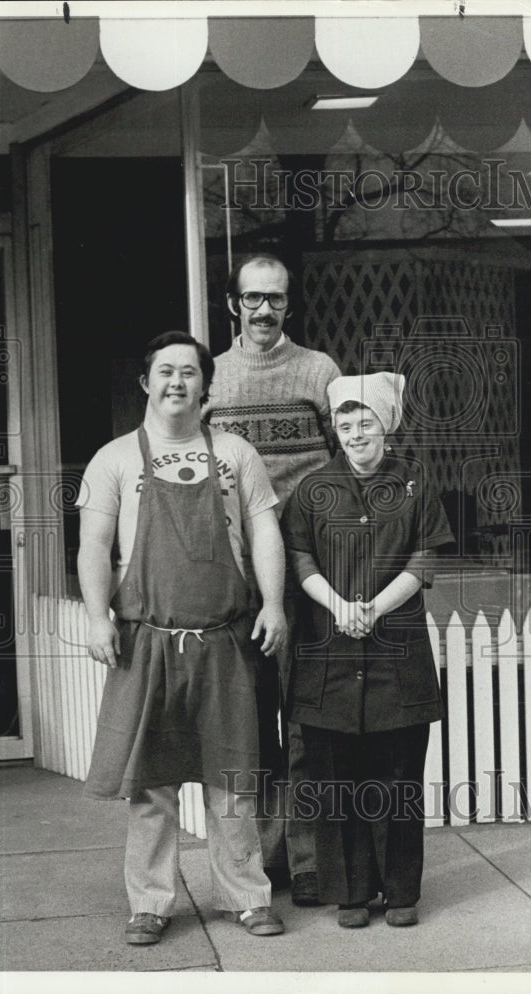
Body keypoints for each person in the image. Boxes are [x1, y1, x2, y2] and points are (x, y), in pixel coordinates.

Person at [77, 331, 288, 944]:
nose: (177, 382)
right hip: (147, 641)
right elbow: (93, 544)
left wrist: (273, 604)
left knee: (234, 779)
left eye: (189, 372)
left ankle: (247, 897)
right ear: (146, 383)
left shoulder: (236, 455)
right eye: (165, 372)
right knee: (150, 784)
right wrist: (97, 616)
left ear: (205, 385)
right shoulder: (113, 458)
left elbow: (265, 533)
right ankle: (150, 903)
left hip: (225, 641)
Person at [281, 372, 454, 929]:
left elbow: (426, 557)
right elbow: (300, 559)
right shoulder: (312, 490)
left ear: (387, 424)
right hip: (329, 650)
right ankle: (352, 893)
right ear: (334, 429)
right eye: (345, 423)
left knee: (398, 777)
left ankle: (401, 893)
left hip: (396, 651)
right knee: (337, 779)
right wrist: (337, 605)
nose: (355, 433)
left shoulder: (415, 481)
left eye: (366, 421)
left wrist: (375, 608)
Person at [206, 252, 341, 906]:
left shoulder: (318, 372)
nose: (264, 310)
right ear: (232, 304)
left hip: (308, 576)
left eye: (276, 299)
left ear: (289, 304)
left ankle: (309, 859)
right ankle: (263, 860)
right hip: (236, 581)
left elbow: (350, 469)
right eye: (253, 298)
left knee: (307, 717)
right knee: (252, 722)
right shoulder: (211, 379)